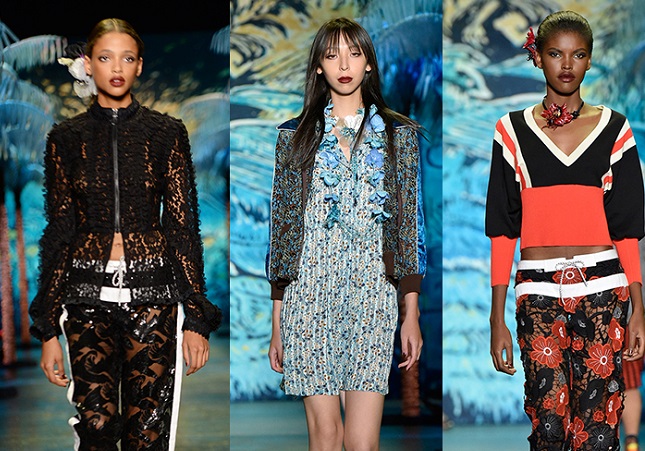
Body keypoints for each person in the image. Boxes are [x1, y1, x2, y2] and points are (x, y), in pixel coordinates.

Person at [29, 18, 221, 450]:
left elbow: (182, 227)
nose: (116, 67)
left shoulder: (166, 133)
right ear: (88, 65)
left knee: (147, 434)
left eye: (127, 57)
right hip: (85, 299)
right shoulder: (66, 139)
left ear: (139, 66)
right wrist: (47, 329)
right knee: (96, 429)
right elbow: (59, 231)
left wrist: (196, 318)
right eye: (105, 57)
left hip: (154, 297)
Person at [485, 10, 645, 450]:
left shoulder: (615, 129)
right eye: (556, 53)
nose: (567, 64)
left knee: (597, 431)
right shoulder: (511, 131)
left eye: (578, 54)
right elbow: (503, 228)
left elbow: (626, 228)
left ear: (590, 60)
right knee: (549, 429)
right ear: (537, 57)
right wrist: (496, 317)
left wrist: (639, 306)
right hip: (537, 293)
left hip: (603, 291)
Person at [266, 17, 425, 450]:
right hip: (308, 295)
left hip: (372, 296)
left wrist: (410, 313)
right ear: (318, 65)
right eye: (332, 55)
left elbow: (409, 228)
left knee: (361, 443)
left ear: (368, 63)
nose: (344, 65)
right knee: (326, 436)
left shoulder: (398, 136)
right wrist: (277, 324)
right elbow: (282, 234)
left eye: (354, 54)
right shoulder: (293, 137)